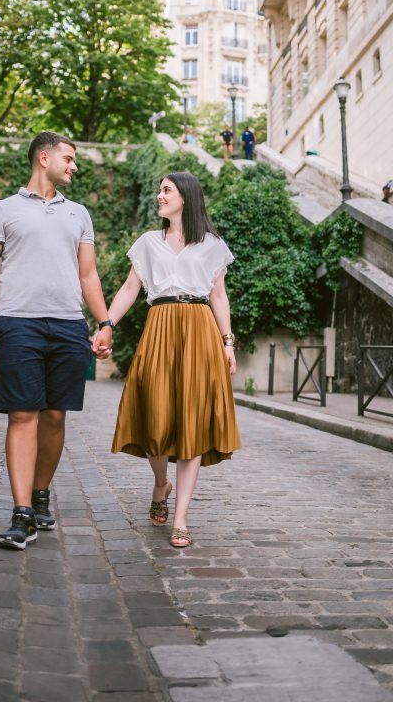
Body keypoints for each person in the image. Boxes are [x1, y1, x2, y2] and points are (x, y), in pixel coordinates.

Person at [0, 131, 113, 550]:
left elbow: (88, 274)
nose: (74, 166)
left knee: (55, 417)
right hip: (19, 323)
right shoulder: (3, 210)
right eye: (68, 159)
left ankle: (41, 492)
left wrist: (104, 322)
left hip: (69, 325)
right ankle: (21, 513)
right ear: (44, 157)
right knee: (22, 416)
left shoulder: (79, 215)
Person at [107, 171, 242, 549]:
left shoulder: (213, 244)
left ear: (186, 195)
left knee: (192, 423)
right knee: (155, 418)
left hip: (200, 331)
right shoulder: (149, 243)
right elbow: (131, 288)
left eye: (165, 190)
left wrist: (228, 342)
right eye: (159, 189)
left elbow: (218, 295)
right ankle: (159, 483)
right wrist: (107, 324)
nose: (158, 195)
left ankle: (180, 516)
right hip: (160, 326)